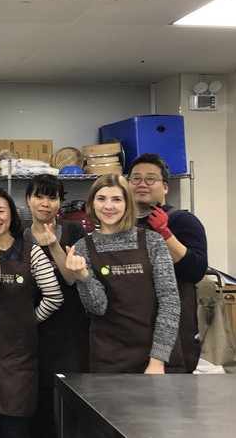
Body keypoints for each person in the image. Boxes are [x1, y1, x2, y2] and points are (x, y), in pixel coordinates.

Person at [0, 188, 63, 438]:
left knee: (15, 427)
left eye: (1, 210)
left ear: (11, 215)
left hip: (20, 357)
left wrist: (30, 320)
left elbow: (54, 296)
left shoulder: (32, 252)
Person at [66, 174, 180, 374]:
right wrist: (83, 277)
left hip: (154, 354)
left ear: (127, 204)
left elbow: (169, 301)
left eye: (117, 199)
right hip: (108, 357)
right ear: (92, 204)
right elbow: (98, 307)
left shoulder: (152, 241)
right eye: (101, 199)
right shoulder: (83, 247)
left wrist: (157, 360)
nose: (108, 206)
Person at [128, 153, 208, 373]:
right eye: (136, 178)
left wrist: (165, 233)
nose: (142, 184)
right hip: (131, 334)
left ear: (165, 187)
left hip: (176, 334)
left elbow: (196, 270)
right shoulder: (120, 226)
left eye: (150, 179)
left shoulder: (183, 221)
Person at [23, 175, 88, 438]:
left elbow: (71, 279)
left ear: (60, 202)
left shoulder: (74, 231)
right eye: (39, 196)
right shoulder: (20, 235)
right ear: (28, 199)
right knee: (38, 404)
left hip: (69, 330)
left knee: (69, 401)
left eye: (52, 197)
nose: (45, 203)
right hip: (34, 329)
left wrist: (53, 245)